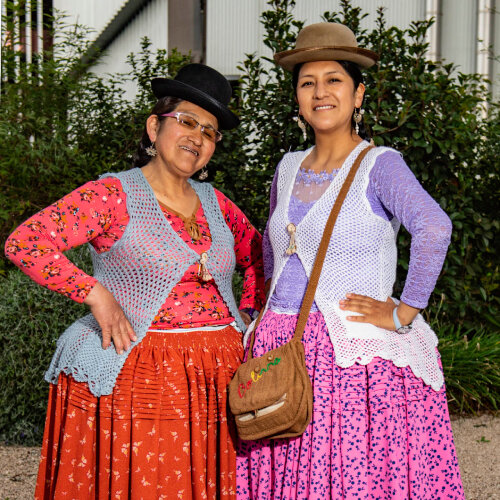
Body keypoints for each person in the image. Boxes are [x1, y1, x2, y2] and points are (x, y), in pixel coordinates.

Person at [5, 63, 265, 499]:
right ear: (154, 126)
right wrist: (96, 295)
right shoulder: (111, 195)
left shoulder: (216, 203)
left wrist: (251, 317)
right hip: (142, 376)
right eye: (186, 121)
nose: (197, 137)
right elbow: (25, 242)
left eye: (209, 131)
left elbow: (260, 258)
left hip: (217, 376)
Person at [236, 23, 465, 499]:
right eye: (307, 82)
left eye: (333, 80)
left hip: (349, 353)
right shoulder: (286, 167)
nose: (320, 92)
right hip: (283, 341)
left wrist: (404, 310)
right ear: (297, 99)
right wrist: (258, 312)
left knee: (349, 476)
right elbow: (270, 243)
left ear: (358, 94)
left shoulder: (379, 165)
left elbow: (434, 227)